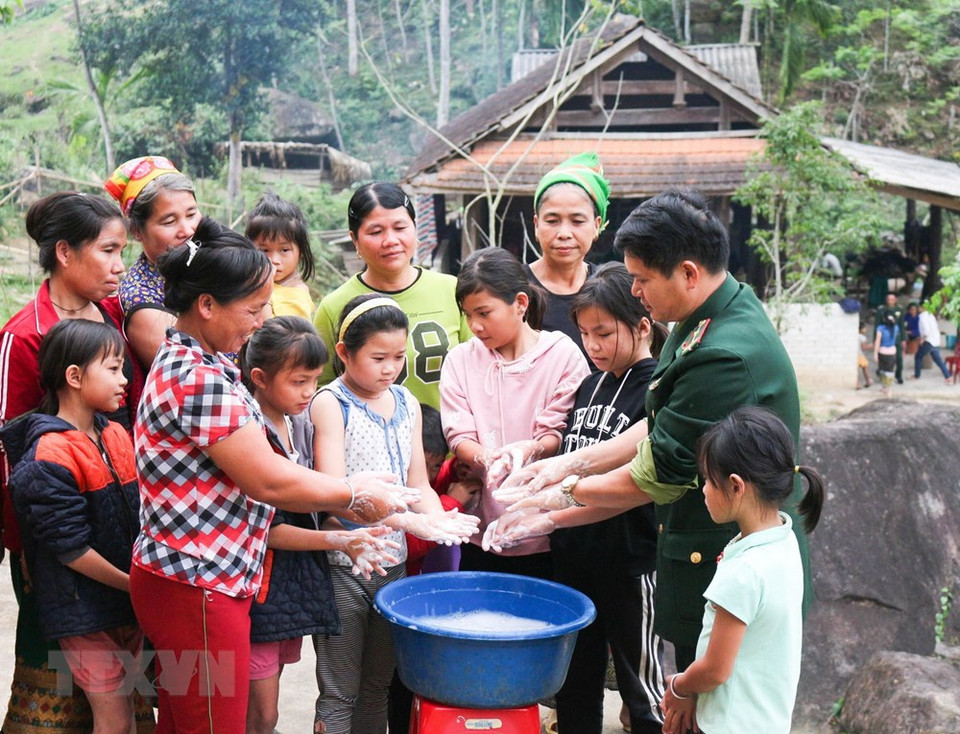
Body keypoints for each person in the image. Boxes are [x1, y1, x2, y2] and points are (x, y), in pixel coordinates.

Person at [494, 190, 811, 677]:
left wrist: (555, 496)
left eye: (642, 279)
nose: (635, 290)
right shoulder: (707, 316)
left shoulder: (723, 353)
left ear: (687, 272)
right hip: (704, 548)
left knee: (716, 705)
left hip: (726, 555)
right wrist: (567, 462)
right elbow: (664, 422)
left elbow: (657, 472)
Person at [129, 219, 417, 734]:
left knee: (184, 721)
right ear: (207, 305)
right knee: (215, 724)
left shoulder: (204, 360)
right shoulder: (198, 379)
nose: (263, 321)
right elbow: (268, 481)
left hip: (194, 578)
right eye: (254, 308)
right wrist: (353, 492)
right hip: (198, 584)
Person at [486, 262, 668, 734]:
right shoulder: (590, 386)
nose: (593, 345)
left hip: (630, 562)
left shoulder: (658, 391)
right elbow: (567, 461)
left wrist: (547, 512)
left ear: (642, 326)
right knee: (574, 687)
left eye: (604, 333)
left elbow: (635, 484)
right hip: (573, 561)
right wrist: (536, 514)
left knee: (642, 687)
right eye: (585, 334)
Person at [0, 191, 149, 733]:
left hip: (114, 516)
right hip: (55, 536)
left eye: (121, 251)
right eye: (108, 251)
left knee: (125, 675)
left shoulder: (110, 313)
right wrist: (23, 547)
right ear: (65, 251)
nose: (118, 266)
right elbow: (10, 448)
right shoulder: (23, 335)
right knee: (63, 666)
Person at [310, 294, 480, 734]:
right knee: (340, 689)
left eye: (399, 357)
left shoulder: (404, 400)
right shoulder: (331, 403)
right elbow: (334, 495)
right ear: (345, 353)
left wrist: (438, 522)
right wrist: (405, 519)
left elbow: (418, 484)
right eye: (378, 357)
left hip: (395, 564)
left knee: (377, 688)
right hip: (345, 563)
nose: (390, 368)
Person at [240, 316, 400, 734]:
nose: (310, 392)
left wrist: (350, 525)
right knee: (261, 713)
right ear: (259, 378)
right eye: (298, 382)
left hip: (291, 587)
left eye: (314, 380)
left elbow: (312, 507)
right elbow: (267, 529)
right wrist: (337, 539)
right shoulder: (249, 434)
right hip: (258, 588)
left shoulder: (298, 423)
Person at [660, 406, 824, 734]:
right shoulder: (783, 538)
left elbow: (716, 670)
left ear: (736, 486)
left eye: (708, 480)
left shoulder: (746, 570)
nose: (704, 490)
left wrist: (681, 685)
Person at [440, 247, 590, 578]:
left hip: (548, 528)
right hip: (481, 529)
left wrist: (530, 449)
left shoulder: (562, 356)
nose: (475, 326)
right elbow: (458, 434)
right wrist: (488, 460)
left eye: (484, 313)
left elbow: (557, 432)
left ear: (520, 304)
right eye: (467, 315)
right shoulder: (460, 360)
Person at [313, 182, 472, 410]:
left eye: (400, 228)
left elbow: (478, 371)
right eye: (376, 232)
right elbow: (320, 389)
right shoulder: (334, 307)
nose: (390, 241)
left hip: (452, 443)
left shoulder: (452, 290)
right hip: (366, 444)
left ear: (415, 228)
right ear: (354, 239)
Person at [105, 155, 203, 369]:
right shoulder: (142, 302)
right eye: (169, 221)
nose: (187, 231)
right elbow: (189, 376)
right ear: (137, 231)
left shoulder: (204, 262)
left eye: (192, 214)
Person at [524, 152, 610, 355]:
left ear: (596, 226)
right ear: (536, 225)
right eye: (552, 221)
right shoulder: (513, 289)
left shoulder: (612, 289)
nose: (564, 234)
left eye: (577, 221)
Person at [245, 193, 317, 319]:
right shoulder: (247, 282)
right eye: (264, 250)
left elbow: (274, 335)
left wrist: (264, 290)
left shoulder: (297, 295)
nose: (274, 260)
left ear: (300, 252)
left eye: (284, 250)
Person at [913, 303, 952, 383]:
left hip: (929, 341)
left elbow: (926, 331)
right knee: (938, 360)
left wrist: (922, 339)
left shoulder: (922, 317)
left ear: (921, 308)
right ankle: (948, 377)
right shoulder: (931, 315)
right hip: (936, 340)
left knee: (918, 357)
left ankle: (917, 376)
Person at [874, 292, 905, 384]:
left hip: (896, 338)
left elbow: (902, 325)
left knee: (899, 358)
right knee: (883, 358)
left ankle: (898, 376)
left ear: (895, 300)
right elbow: (877, 325)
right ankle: (881, 374)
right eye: (888, 299)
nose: (890, 301)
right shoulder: (881, 310)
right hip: (884, 338)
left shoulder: (899, 309)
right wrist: (874, 340)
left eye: (892, 299)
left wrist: (903, 339)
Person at [874, 312, 899, 396]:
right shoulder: (896, 328)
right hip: (892, 352)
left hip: (882, 352)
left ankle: (884, 387)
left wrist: (875, 353)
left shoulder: (880, 328)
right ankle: (889, 389)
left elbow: (877, 342)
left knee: (882, 370)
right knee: (890, 371)